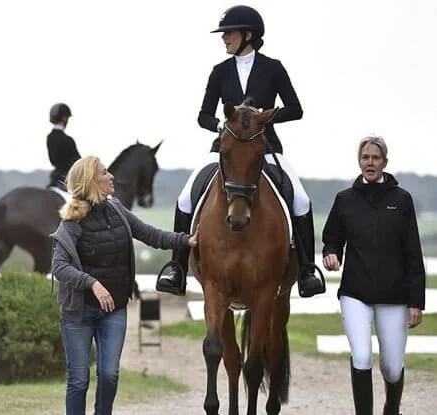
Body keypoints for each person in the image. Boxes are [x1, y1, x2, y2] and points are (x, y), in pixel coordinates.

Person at [156, 4, 325, 298]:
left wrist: (264, 116)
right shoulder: (219, 72)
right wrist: (223, 124)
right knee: (185, 197)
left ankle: (307, 271)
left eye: (228, 33)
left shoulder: (273, 68)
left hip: (265, 146)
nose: (224, 39)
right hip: (227, 147)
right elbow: (203, 116)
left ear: (248, 35)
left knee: (301, 199)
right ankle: (177, 268)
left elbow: (296, 109)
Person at [51, 156, 198, 415]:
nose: (111, 177)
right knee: (79, 379)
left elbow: (150, 234)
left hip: (114, 308)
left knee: (109, 374)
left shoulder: (117, 208)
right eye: (105, 173)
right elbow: (59, 266)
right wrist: (92, 283)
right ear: (91, 181)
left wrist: (187, 240)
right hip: (79, 312)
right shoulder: (72, 222)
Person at [322, 136, 425, 415]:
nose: (370, 163)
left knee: (392, 368)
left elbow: (413, 254)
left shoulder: (402, 200)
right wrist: (332, 254)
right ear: (359, 161)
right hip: (356, 293)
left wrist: (416, 302)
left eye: (375, 158)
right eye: (365, 157)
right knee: (363, 356)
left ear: (385, 163)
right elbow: (331, 239)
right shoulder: (344, 200)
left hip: (394, 297)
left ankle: (392, 409)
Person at [47, 102, 81, 192]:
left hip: (55, 178)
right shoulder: (67, 139)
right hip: (68, 178)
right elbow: (78, 162)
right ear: (64, 118)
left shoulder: (50, 137)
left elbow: (53, 160)